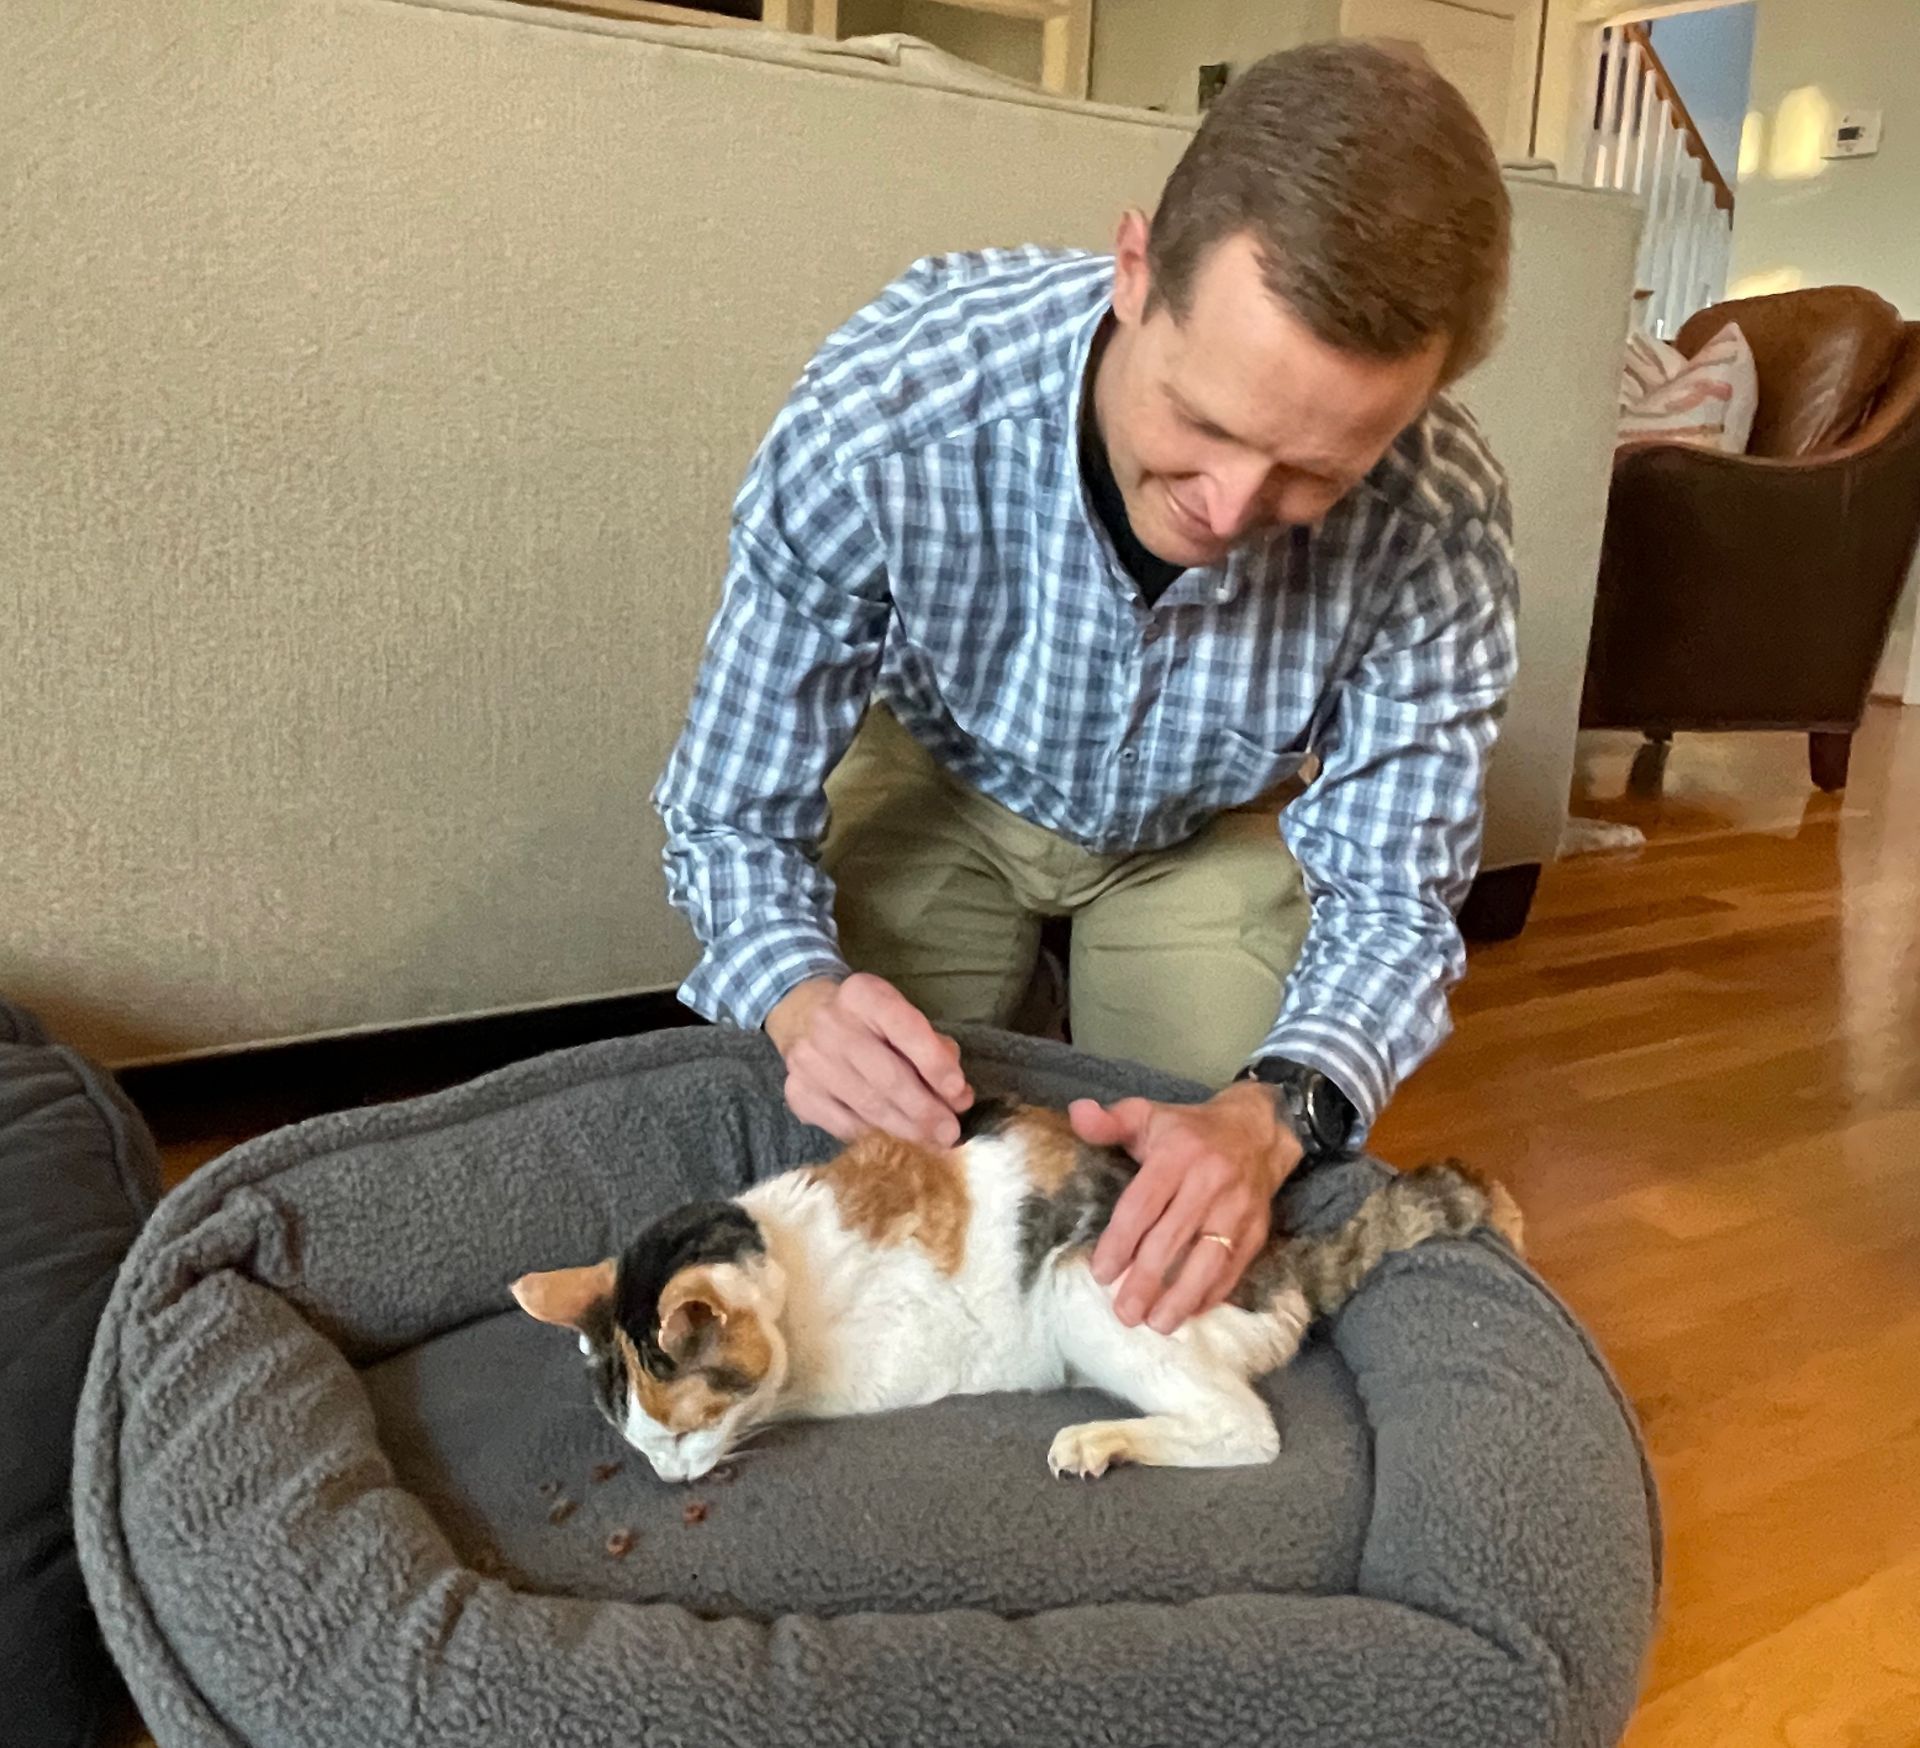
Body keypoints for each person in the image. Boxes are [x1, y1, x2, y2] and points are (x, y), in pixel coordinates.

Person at [654, 41, 1516, 1334]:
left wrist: (1274, 1108)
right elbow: (728, 807)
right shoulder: (896, 401)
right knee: (854, 1174)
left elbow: (1395, 895)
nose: (1230, 513)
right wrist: (799, 995)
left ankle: (1096, 990)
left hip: (1203, 830)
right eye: (1206, 423)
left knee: (1184, 1232)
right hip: (942, 780)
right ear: (1133, 271)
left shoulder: (1439, 516)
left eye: (1315, 473)